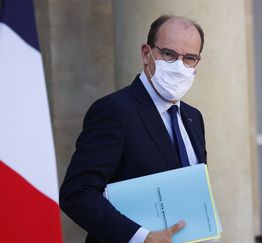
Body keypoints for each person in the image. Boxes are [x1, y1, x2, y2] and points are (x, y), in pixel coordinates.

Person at [60, 15, 207, 243]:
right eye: (168, 54)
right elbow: (77, 193)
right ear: (146, 53)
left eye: (189, 58)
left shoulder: (193, 117)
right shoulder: (114, 111)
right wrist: (142, 237)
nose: (179, 66)